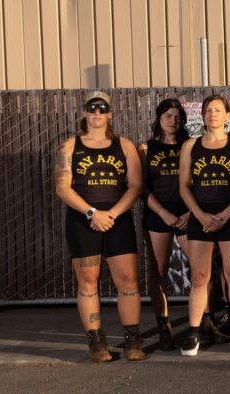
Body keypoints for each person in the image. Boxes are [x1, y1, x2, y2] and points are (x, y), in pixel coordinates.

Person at [55, 91, 145, 362]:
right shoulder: (70, 146)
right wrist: (93, 213)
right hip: (84, 221)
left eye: (102, 108)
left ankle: (132, 339)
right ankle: (96, 342)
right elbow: (62, 187)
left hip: (117, 220)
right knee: (88, 282)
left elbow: (136, 185)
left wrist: (112, 214)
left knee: (128, 281)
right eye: (91, 107)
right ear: (84, 112)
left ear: (109, 114)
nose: (96, 112)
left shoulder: (125, 146)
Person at [177, 94, 230, 356]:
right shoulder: (190, 146)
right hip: (200, 219)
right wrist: (200, 216)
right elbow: (184, 188)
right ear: (203, 115)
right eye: (208, 110)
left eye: (218, 110)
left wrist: (224, 215)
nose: (213, 114)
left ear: (227, 114)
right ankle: (194, 333)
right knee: (200, 278)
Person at [138, 98, 191, 351]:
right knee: (158, 272)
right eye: (168, 116)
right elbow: (141, 188)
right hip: (158, 215)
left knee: (202, 270)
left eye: (177, 116)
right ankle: (164, 326)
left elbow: (200, 183)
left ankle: (204, 322)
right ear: (159, 119)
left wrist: (192, 212)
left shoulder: (190, 146)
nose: (173, 120)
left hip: (189, 215)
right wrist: (163, 213)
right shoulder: (146, 149)